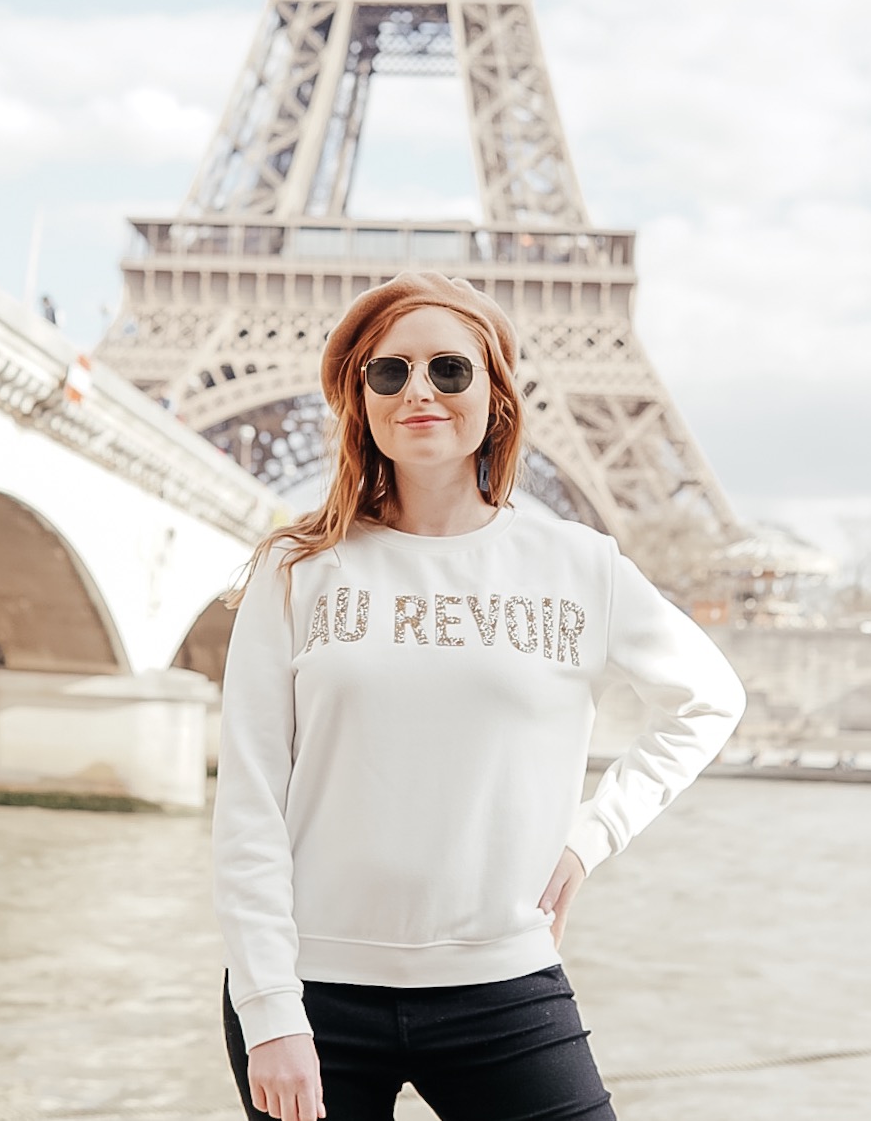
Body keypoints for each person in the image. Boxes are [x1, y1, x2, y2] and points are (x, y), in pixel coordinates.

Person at [213, 272, 746, 1121]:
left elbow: (709, 698)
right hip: (311, 989)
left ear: (495, 395)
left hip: (502, 981)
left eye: (448, 368)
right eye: (389, 371)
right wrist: (270, 1010)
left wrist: (590, 836)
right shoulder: (295, 566)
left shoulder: (580, 564)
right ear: (361, 399)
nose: (417, 390)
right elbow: (247, 803)